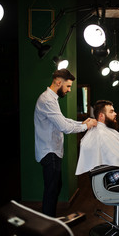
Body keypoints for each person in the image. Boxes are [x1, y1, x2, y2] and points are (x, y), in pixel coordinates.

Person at [34, 69, 97, 217]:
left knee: (55, 187)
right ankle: (48, 223)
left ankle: (49, 219)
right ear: (58, 82)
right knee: (52, 189)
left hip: (53, 150)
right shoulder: (47, 100)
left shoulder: (52, 99)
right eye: (68, 86)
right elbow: (64, 127)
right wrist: (85, 126)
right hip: (49, 151)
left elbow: (63, 121)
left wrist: (82, 122)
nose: (69, 90)